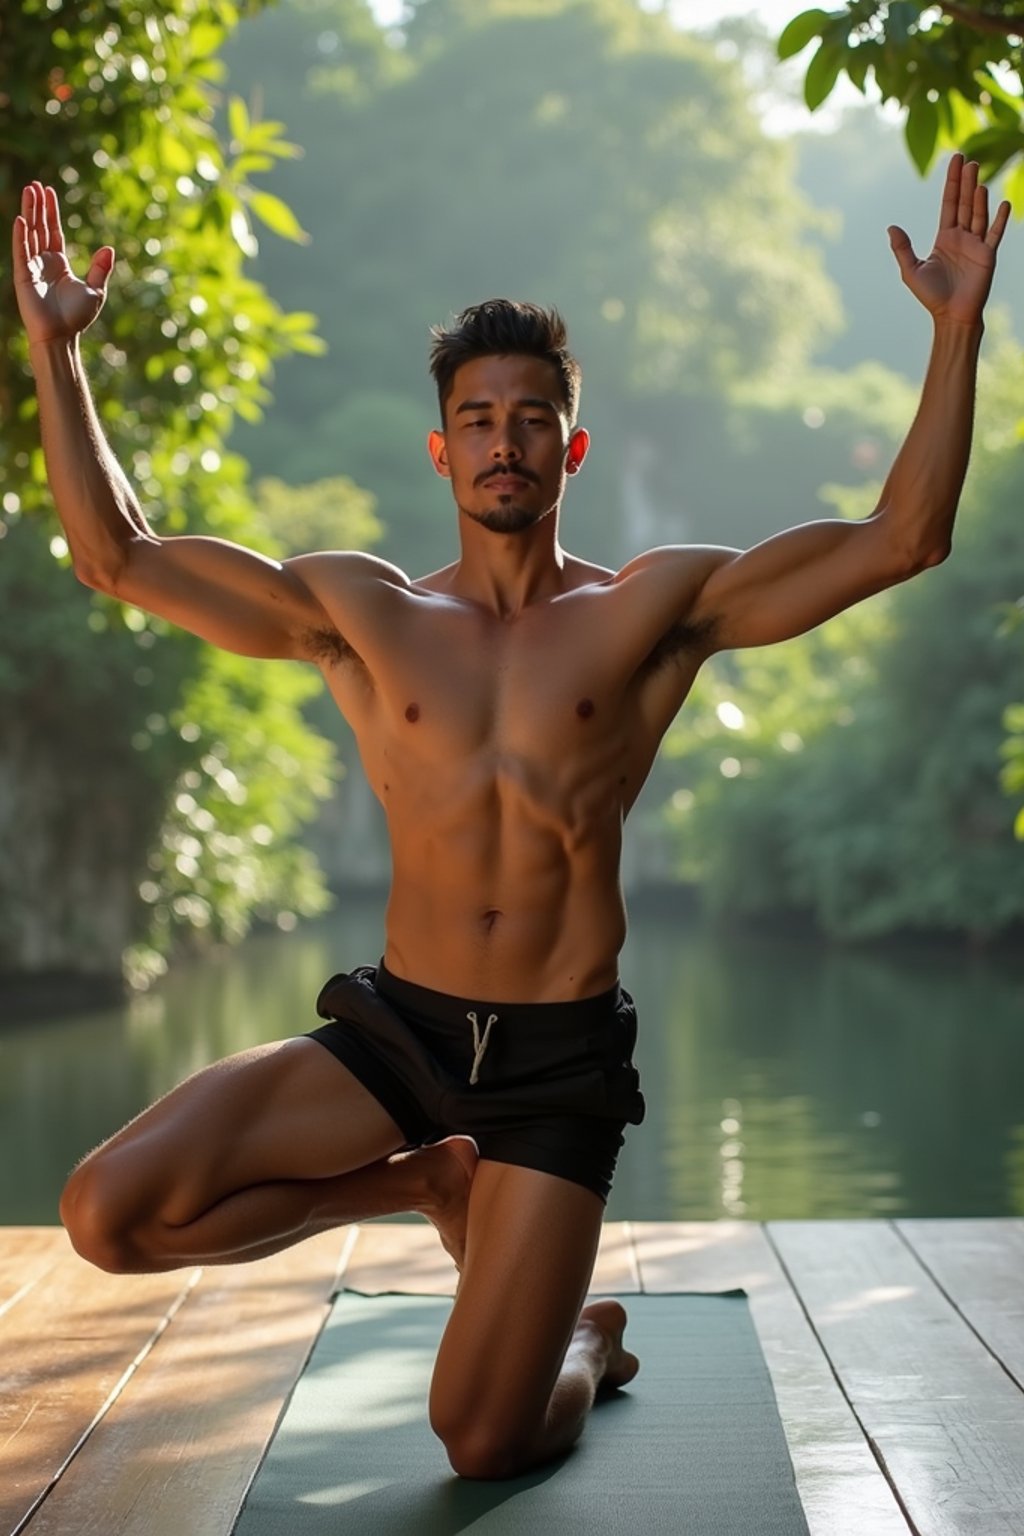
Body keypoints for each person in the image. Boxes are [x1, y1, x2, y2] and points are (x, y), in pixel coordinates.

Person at [12, 155, 1009, 1481]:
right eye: (477, 419)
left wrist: (955, 329)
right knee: (106, 1215)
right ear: (441, 448)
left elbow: (901, 539)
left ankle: (586, 1347)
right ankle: (417, 1183)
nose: (503, 440)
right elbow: (117, 556)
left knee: (482, 1443)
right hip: (399, 1034)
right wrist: (53, 350)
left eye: (530, 418)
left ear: (568, 445)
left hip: (555, 1068)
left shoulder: (655, 612)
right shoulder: (360, 615)